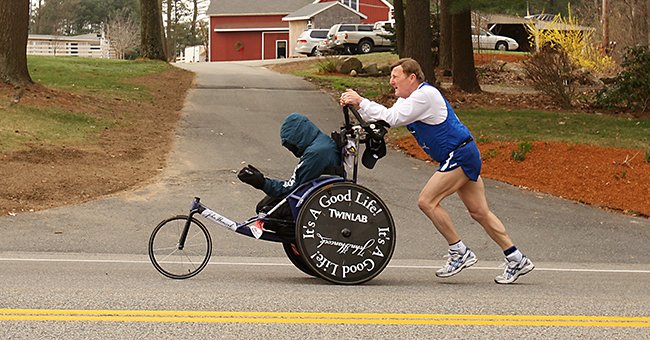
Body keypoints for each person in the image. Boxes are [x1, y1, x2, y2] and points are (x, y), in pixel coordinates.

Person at [339, 58, 534, 284]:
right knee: (480, 212)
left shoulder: (424, 95)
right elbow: (387, 118)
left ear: (412, 78)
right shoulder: (409, 99)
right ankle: (517, 258)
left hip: (460, 154)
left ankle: (460, 251)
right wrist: (356, 107)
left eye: (395, 77)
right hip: (462, 154)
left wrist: (361, 100)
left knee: (427, 201)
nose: (391, 81)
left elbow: (391, 117)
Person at [237, 112, 341, 239]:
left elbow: (291, 189)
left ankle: (303, 239)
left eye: (291, 146)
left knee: (268, 215)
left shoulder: (316, 153)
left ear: (298, 138)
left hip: (318, 201)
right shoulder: (320, 144)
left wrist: (261, 182)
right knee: (263, 205)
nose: (291, 150)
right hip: (319, 193)